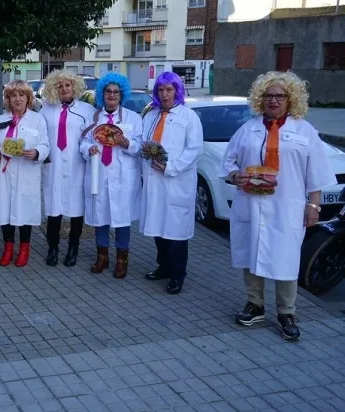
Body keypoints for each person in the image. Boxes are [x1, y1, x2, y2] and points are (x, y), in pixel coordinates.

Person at [220, 71, 335, 341]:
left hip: (286, 207)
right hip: (251, 204)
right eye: (268, 95)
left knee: (286, 259)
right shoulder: (247, 130)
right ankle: (255, 304)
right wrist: (236, 176)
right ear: (260, 99)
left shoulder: (304, 131)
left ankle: (287, 312)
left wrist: (314, 206)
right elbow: (228, 163)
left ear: (290, 99)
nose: (273, 100)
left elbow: (316, 172)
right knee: (251, 254)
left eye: (280, 96)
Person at [140, 72, 203, 294]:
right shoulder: (150, 116)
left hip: (176, 182)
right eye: (161, 90)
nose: (165, 94)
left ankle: (177, 274)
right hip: (153, 182)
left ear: (177, 91)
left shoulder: (189, 117)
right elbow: (142, 144)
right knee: (158, 227)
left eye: (169, 90)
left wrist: (171, 167)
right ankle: (164, 266)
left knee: (176, 232)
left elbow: (195, 150)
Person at [80, 72, 142, 278]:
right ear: (102, 93)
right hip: (99, 173)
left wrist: (128, 144)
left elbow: (139, 147)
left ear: (122, 94)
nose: (112, 95)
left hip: (122, 176)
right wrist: (88, 149)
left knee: (122, 218)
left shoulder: (133, 118)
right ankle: (102, 256)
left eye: (116, 92)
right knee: (100, 216)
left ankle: (122, 260)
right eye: (108, 91)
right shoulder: (93, 118)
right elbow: (83, 141)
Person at [0, 80, 49, 267]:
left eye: (21, 95)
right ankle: (8, 248)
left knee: (25, 211)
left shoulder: (37, 120)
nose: (17, 99)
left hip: (26, 172)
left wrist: (37, 152)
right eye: (13, 95)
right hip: (5, 173)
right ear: (7, 99)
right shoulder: (0, 120)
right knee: (5, 211)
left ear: (28, 98)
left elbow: (45, 144)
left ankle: (24, 248)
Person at [40, 69, 96, 267]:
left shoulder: (87, 111)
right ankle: (53, 248)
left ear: (74, 86)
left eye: (67, 85)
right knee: (53, 210)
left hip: (76, 166)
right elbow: (40, 136)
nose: (64, 89)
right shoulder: (46, 110)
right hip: (53, 166)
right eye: (59, 86)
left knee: (76, 211)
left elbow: (92, 138)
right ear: (53, 88)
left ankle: (73, 249)